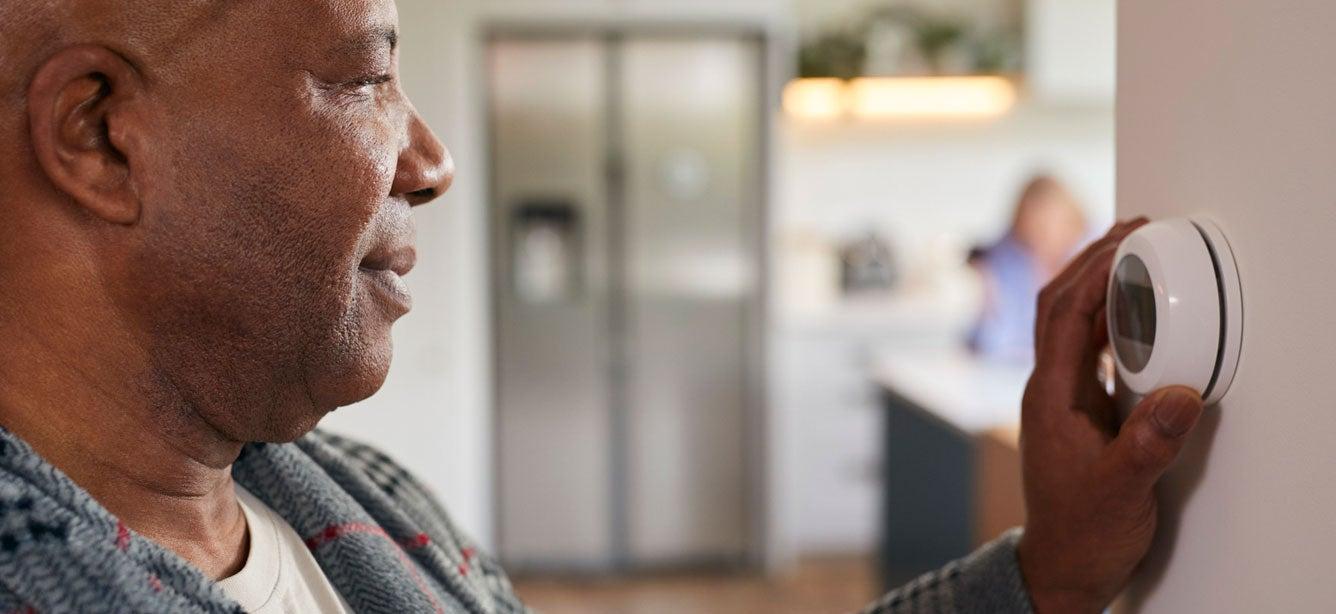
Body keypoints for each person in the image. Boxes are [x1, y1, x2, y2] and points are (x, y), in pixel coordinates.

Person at [0, 1, 1204, 613]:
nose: (430, 159)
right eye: (364, 74)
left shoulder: (367, 498)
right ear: (102, 134)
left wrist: (1045, 572)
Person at [969, 175, 1090, 362]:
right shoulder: (1005, 266)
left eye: (1046, 228)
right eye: (1030, 230)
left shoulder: (1091, 261)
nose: (1038, 241)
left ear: (1070, 223)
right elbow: (991, 342)